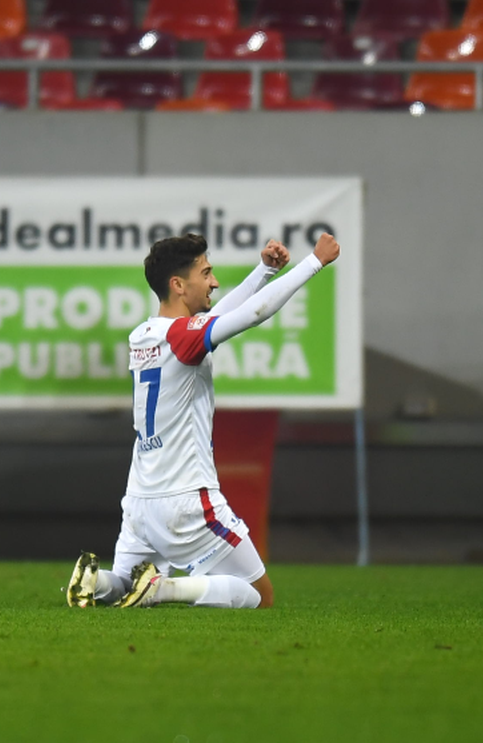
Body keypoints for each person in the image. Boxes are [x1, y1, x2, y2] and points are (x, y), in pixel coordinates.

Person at [66, 232, 340, 609]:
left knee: (126, 583)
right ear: (178, 285)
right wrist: (314, 263)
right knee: (260, 596)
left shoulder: (144, 335)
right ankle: (163, 589)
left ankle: (96, 583)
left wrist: (263, 271)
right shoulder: (183, 338)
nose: (214, 282)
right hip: (186, 499)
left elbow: (219, 315)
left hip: (141, 499)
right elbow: (252, 314)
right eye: (206, 273)